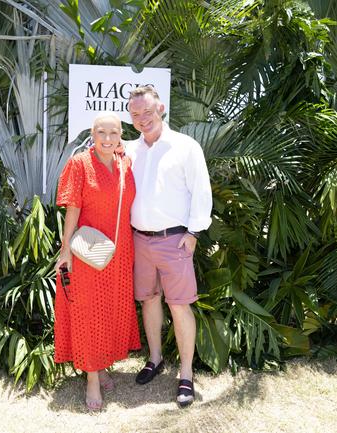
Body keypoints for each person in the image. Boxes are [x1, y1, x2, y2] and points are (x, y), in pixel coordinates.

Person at [125, 86, 212, 407]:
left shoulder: (185, 146)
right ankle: (156, 358)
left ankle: (186, 374)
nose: (142, 119)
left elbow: (201, 190)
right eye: (135, 115)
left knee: (178, 305)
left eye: (147, 112)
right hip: (140, 239)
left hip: (175, 239)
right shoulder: (131, 150)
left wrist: (193, 232)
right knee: (148, 300)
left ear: (160, 107)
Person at [54, 112, 141, 411]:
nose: (107, 139)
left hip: (119, 253)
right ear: (91, 134)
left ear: (121, 135)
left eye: (113, 133)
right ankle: (92, 379)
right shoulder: (79, 164)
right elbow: (73, 209)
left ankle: (101, 366)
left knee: (109, 312)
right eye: (101, 132)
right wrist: (65, 250)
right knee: (89, 313)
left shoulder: (125, 163)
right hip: (88, 252)